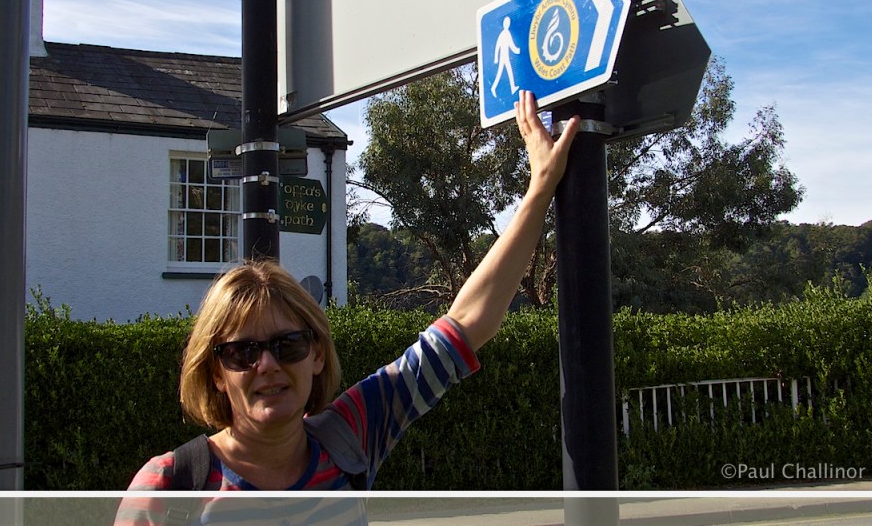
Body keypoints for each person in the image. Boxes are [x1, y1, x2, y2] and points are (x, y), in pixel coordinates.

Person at [114, 91, 580, 524]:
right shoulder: (168, 489)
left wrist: (540, 188)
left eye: (288, 344)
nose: (268, 365)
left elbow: (464, 325)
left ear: (316, 353)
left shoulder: (348, 438)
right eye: (242, 352)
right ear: (216, 371)